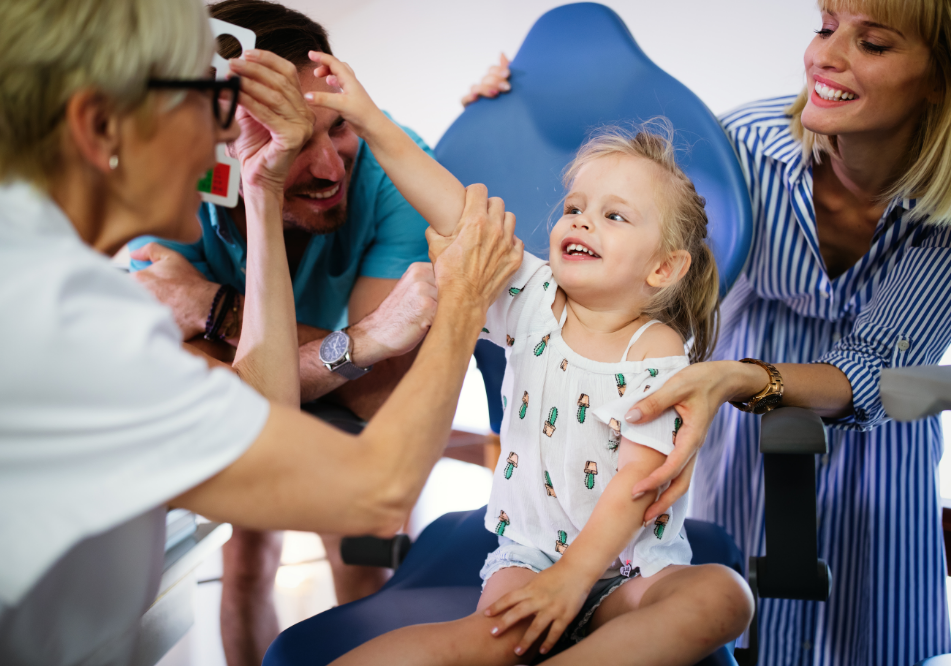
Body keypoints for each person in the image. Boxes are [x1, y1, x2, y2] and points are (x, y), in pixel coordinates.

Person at [0, 0, 522, 664]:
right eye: (208, 106)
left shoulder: (14, 269)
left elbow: (264, 403)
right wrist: (462, 301)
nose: (222, 142)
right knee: (257, 551)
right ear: (101, 126)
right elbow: (376, 490)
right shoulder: (62, 325)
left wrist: (262, 185)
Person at [473, 0, 951, 662]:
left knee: (871, 637)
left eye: (871, 43)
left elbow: (883, 371)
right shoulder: (747, 146)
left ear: (939, 75)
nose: (825, 55)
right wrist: (507, 114)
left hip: (876, 443)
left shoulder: (944, 211)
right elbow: (623, 219)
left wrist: (736, 377)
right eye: (825, 25)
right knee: (724, 624)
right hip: (724, 418)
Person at [301, 52, 753, 665]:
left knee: (725, 596)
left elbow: (636, 488)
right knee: (488, 637)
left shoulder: (656, 350)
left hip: (630, 569)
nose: (582, 219)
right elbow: (457, 213)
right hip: (531, 558)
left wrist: (575, 583)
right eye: (575, 207)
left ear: (663, 268)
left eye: (613, 215)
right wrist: (368, 118)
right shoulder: (533, 300)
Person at [126, 4, 438, 659]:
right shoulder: (175, 190)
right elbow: (217, 398)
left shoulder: (396, 171)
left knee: (363, 556)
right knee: (240, 562)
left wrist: (214, 308)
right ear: (217, 149)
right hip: (258, 415)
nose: (328, 169)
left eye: (337, 128)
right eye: (291, 143)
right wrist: (360, 344)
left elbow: (384, 402)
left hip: (355, 426)